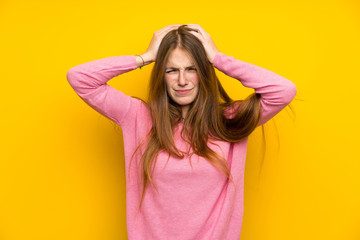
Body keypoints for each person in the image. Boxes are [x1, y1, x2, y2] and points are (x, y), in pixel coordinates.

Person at [66, 24, 297, 240]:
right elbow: (80, 78)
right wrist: (145, 57)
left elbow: (283, 90)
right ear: (161, 75)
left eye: (191, 69)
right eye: (171, 70)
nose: (182, 80)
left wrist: (218, 58)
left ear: (204, 72)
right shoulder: (137, 116)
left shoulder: (229, 120)